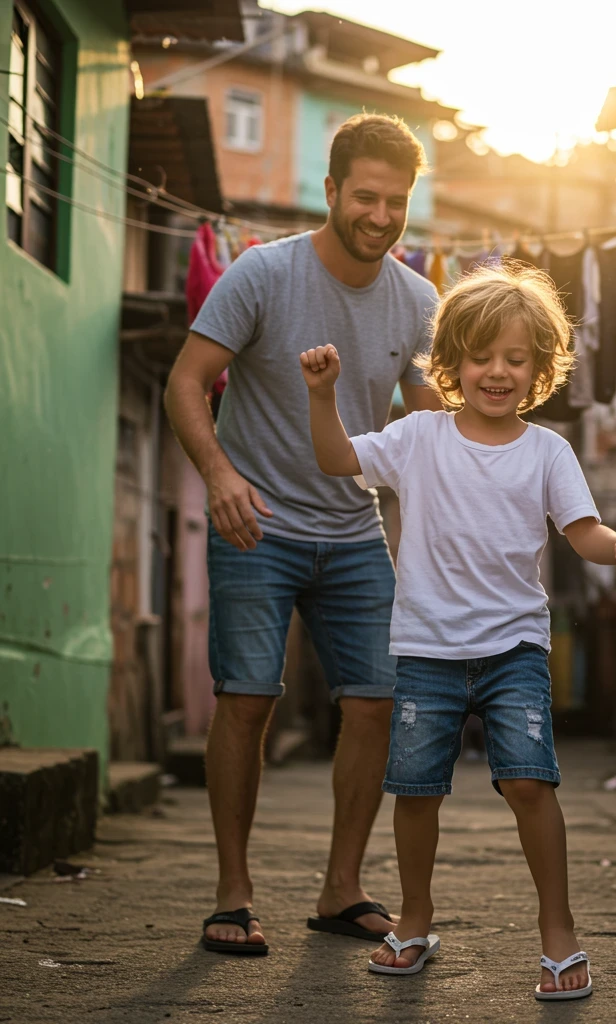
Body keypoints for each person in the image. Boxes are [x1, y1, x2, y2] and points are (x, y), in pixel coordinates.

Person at [298, 263, 616, 999]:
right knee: (416, 791)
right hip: (426, 651)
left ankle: (558, 932)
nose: (498, 372)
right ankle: (417, 918)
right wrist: (322, 395)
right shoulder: (418, 436)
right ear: (454, 360)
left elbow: (581, 531)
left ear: (541, 367)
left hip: (514, 649)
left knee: (530, 783)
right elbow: (337, 458)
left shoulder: (548, 451)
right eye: (483, 356)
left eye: (517, 359)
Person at [164, 114, 443, 955]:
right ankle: (233, 894)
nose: (380, 215)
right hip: (259, 524)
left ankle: (340, 888)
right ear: (331, 191)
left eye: (396, 202)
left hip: (356, 531)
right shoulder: (261, 273)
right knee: (247, 698)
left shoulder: (420, 300)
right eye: (365, 196)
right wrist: (220, 475)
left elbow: (430, 415)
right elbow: (186, 383)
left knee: (379, 700)